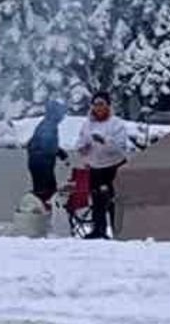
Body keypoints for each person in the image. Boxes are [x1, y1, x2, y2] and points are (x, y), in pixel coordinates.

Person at [74, 91, 131, 239]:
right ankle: (99, 230)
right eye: (95, 105)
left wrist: (105, 142)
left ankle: (117, 230)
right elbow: (79, 143)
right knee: (97, 200)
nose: (98, 108)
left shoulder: (116, 124)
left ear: (108, 106)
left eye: (102, 104)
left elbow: (121, 148)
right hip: (95, 167)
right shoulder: (87, 124)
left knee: (113, 200)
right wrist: (83, 148)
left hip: (114, 166)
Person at [26, 100, 69, 207]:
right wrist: (59, 153)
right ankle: (43, 217)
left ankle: (42, 214)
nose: (62, 117)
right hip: (42, 164)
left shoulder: (45, 124)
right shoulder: (49, 125)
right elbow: (48, 146)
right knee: (48, 192)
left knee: (44, 192)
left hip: (36, 162)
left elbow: (33, 144)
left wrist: (59, 153)